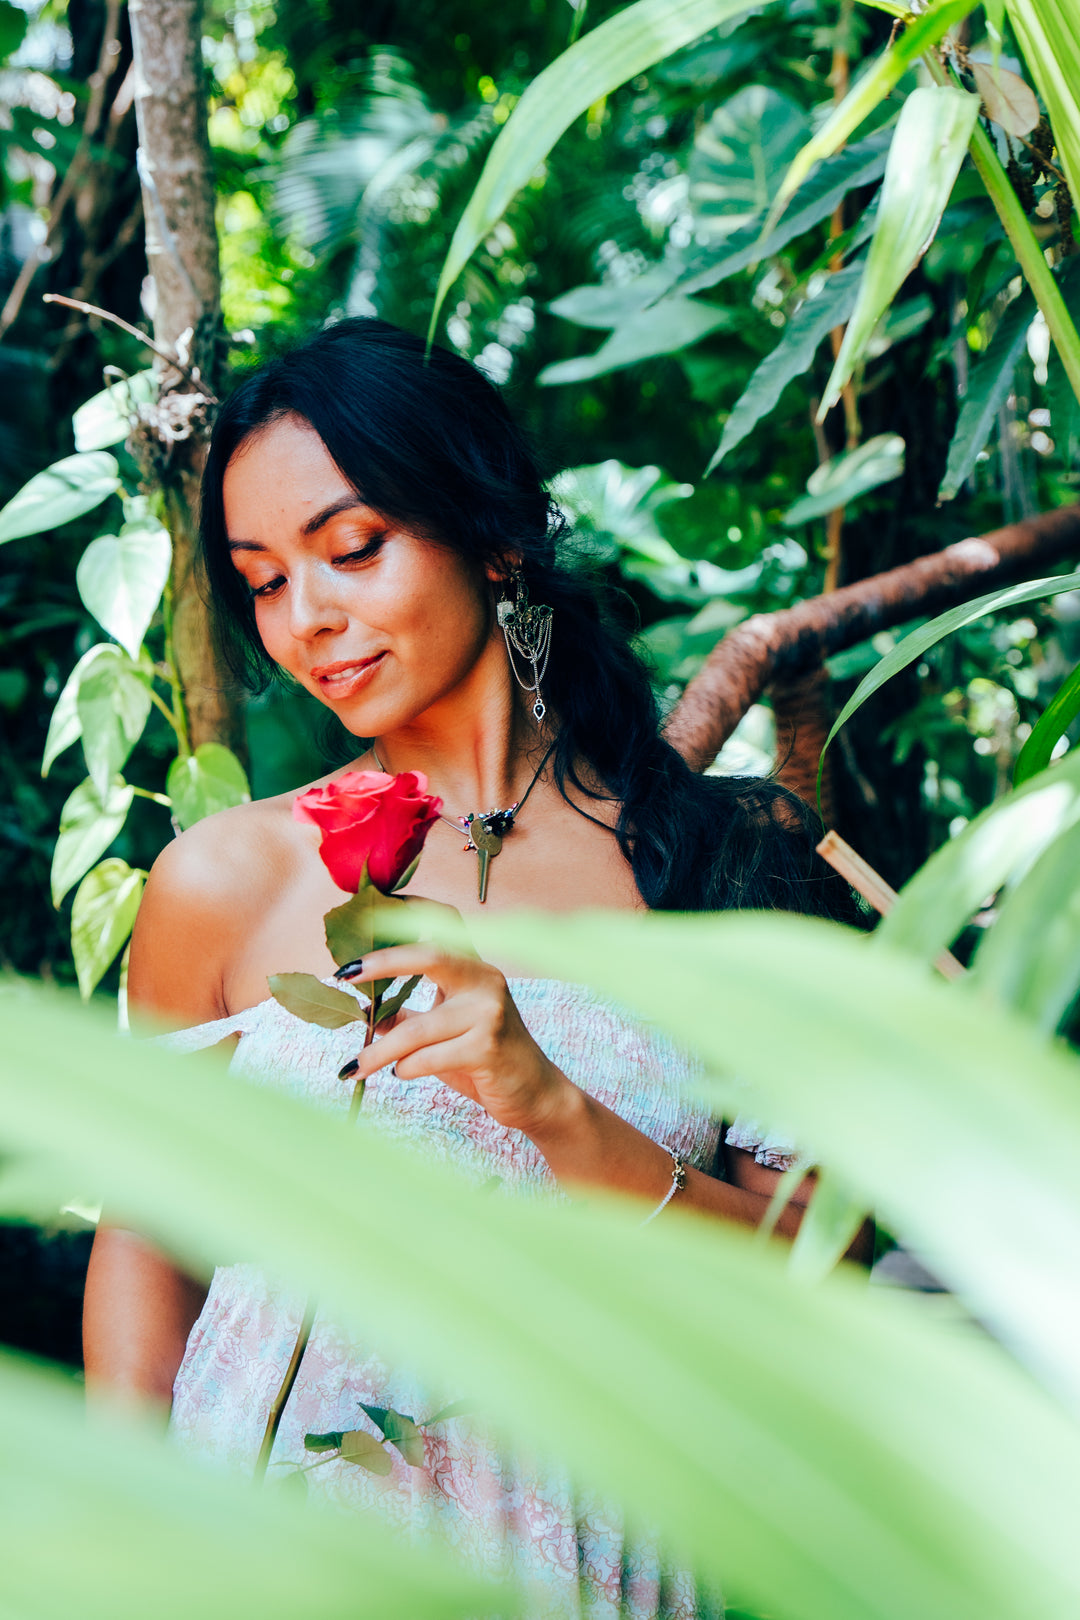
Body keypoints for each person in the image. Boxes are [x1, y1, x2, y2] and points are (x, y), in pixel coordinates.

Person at [83, 318, 861, 1617]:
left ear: (493, 537)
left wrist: (562, 1115)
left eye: (351, 550)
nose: (306, 620)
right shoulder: (224, 883)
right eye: (263, 579)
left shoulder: (738, 874)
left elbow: (815, 1283)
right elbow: (147, 1246)